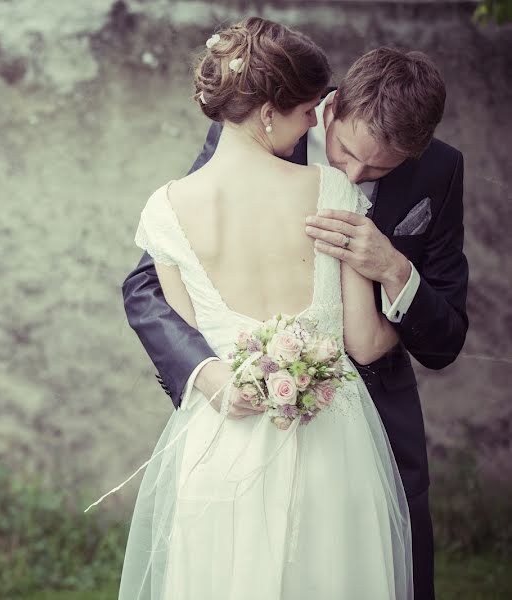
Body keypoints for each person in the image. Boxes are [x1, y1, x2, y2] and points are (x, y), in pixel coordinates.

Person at [120, 17, 468, 599]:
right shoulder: (252, 132)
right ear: (329, 108)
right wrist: (207, 374)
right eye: (349, 153)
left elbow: (447, 337)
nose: (353, 176)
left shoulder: (441, 172)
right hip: (240, 415)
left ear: (417, 153)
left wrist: (394, 270)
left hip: (373, 425)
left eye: (381, 170)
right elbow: (148, 283)